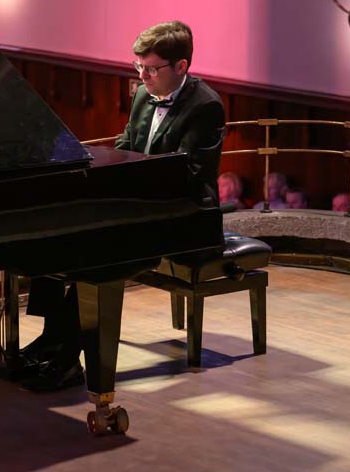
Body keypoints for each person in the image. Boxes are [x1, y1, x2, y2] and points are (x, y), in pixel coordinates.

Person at [22, 20, 226, 392]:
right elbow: (127, 145)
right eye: (138, 66)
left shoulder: (206, 106)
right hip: (139, 207)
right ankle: (51, 338)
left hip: (186, 216)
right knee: (57, 236)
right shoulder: (143, 95)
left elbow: (190, 175)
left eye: (151, 69)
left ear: (181, 66)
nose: (142, 76)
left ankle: (67, 359)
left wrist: (130, 196)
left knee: (98, 255)